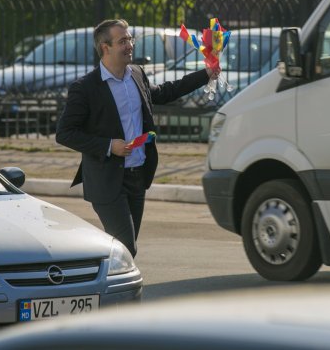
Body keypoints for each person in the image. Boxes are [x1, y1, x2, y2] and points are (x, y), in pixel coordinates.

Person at [56, 19, 219, 257]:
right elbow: (65, 133)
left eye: (130, 39)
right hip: (107, 180)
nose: (130, 45)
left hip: (137, 176)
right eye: (122, 41)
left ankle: (108, 286)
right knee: (125, 248)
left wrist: (205, 74)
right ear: (105, 47)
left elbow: (165, 92)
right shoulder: (85, 88)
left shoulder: (136, 74)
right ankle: (120, 291)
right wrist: (109, 146)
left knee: (122, 248)